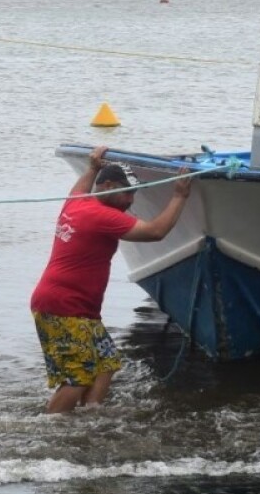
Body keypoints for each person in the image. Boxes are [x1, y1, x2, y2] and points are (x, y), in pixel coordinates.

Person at [30, 146, 192, 413]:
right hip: (63, 307)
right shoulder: (102, 216)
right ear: (107, 186)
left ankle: (89, 416)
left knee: (106, 363)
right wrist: (179, 195)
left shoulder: (78, 201)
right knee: (77, 378)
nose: (131, 200)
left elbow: (82, 186)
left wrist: (93, 168)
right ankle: (50, 428)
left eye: (134, 193)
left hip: (75, 308)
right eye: (127, 192)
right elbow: (156, 232)